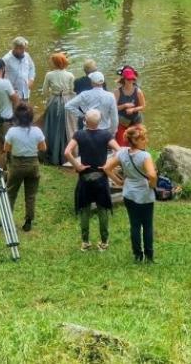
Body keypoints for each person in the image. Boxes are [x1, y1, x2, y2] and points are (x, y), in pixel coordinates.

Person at [64, 109, 120, 252]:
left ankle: (85, 242)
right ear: (99, 122)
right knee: (103, 209)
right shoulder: (106, 135)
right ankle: (104, 242)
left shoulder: (79, 134)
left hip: (85, 177)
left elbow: (67, 152)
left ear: (85, 121)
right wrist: (109, 163)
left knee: (84, 209)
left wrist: (77, 166)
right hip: (101, 177)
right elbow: (119, 150)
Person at [103, 125, 157, 263]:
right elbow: (151, 175)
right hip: (144, 195)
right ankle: (149, 256)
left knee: (134, 225)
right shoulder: (145, 156)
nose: (146, 141)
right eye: (144, 138)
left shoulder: (122, 153)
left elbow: (107, 168)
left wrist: (119, 182)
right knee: (147, 226)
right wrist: (152, 185)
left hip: (128, 193)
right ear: (136, 141)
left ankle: (138, 255)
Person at [4, 103, 46, 232]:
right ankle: (28, 221)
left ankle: (7, 219)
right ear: (31, 117)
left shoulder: (12, 131)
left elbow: (6, 148)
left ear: (16, 117)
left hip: (17, 164)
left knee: (11, 192)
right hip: (33, 164)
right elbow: (43, 148)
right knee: (30, 194)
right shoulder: (37, 131)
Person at [41, 52, 77, 165]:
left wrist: (49, 98)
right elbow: (72, 91)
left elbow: (45, 91)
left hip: (54, 101)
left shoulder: (49, 75)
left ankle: (51, 154)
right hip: (67, 101)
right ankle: (69, 155)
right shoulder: (70, 75)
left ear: (55, 63)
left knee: (52, 127)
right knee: (68, 127)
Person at [65, 71, 118, 136]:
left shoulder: (84, 94)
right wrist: (112, 132)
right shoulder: (110, 96)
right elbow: (114, 118)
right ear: (103, 82)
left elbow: (68, 106)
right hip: (105, 130)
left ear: (92, 83)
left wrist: (82, 115)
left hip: (88, 130)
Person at [114, 67, 145, 146]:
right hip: (122, 121)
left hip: (136, 120)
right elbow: (114, 108)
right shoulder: (117, 92)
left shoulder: (138, 91)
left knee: (138, 143)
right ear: (124, 79)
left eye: (132, 79)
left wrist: (134, 109)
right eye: (128, 79)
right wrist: (124, 105)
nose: (131, 81)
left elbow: (143, 106)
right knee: (121, 144)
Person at [2, 36, 35, 101]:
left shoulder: (27, 56)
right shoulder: (6, 59)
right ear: (15, 48)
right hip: (13, 94)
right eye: (22, 49)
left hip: (25, 93)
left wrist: (31, 79)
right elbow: (1, 75)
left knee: (25, 110)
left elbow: (32, 68)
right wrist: (9, 89)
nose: (24, 51)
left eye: (24, 49)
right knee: (14, 111)